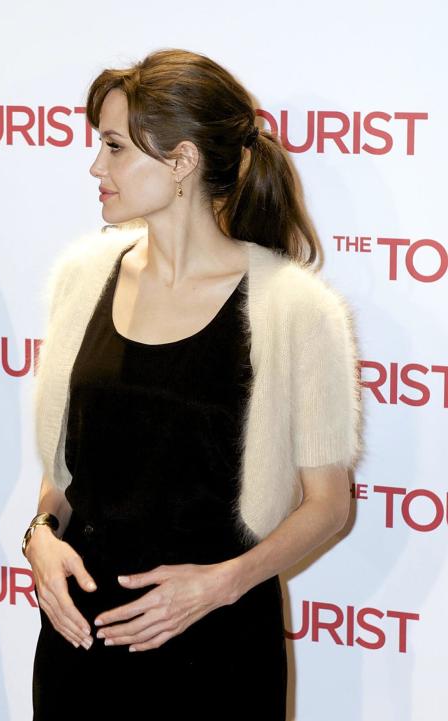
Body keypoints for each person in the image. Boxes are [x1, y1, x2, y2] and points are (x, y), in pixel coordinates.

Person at [23, 49, 359, 719]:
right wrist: (37, 536)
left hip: (217, 648)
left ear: (181, 162)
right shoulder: (82, 278)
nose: (97, 167)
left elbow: (329, 503)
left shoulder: (293, 307)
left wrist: (219, 585)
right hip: (78, 645)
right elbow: (69, 471)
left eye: (115, 148)